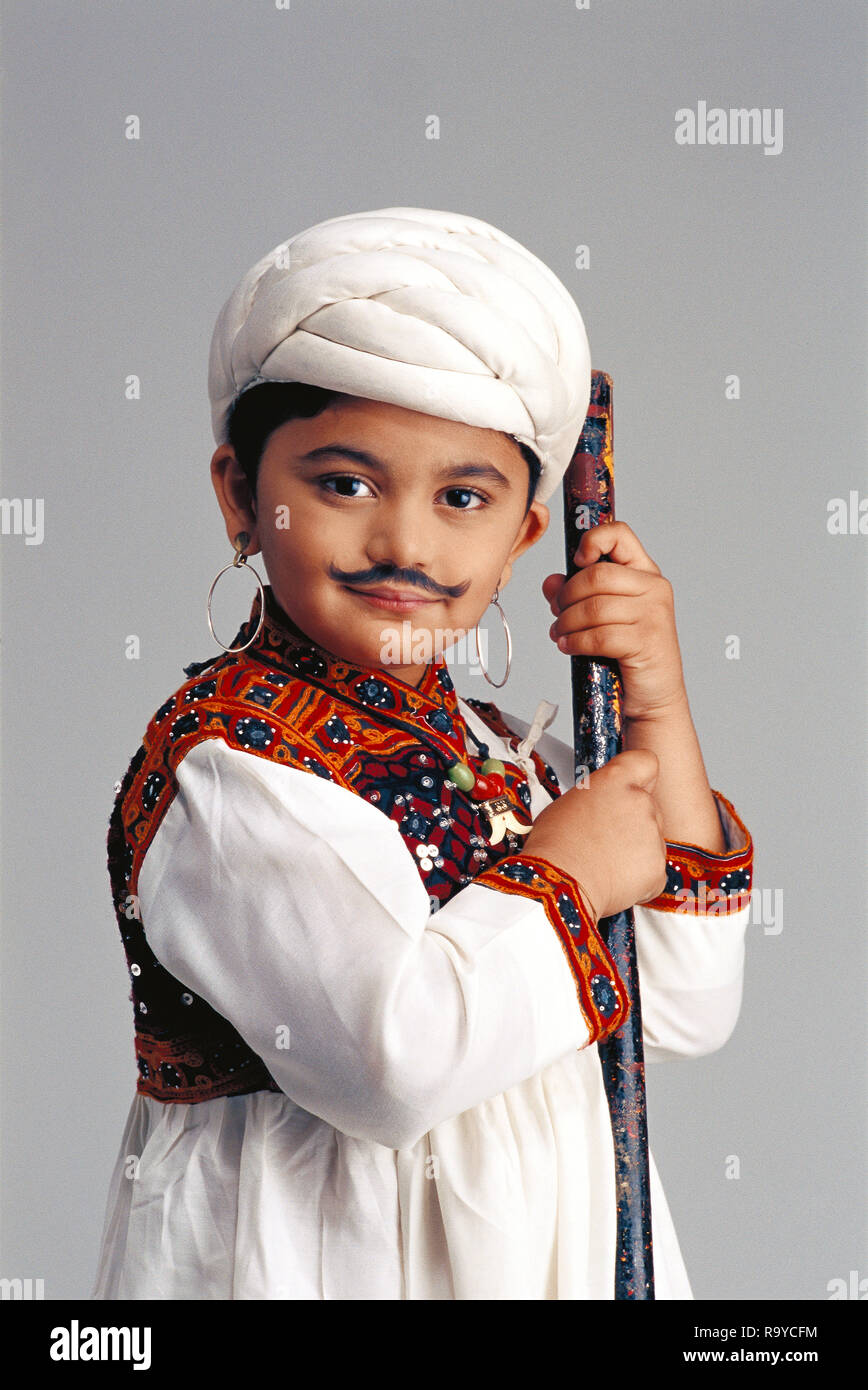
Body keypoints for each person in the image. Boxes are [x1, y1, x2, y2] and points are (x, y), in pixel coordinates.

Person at [90, 206, 753, 1300]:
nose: (404, 541)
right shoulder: (228, 763)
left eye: (462, 498)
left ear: (520, 541)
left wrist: (658, 703)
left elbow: (680, 1005)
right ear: (241, 498)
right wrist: (568, 872)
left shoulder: (501, 757)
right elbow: (390, 1064)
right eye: (343, 483)